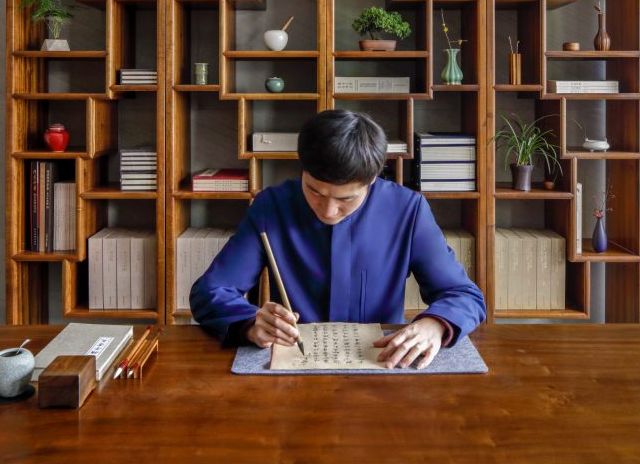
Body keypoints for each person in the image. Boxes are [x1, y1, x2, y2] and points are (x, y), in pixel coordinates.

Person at [190, 109, 485, 369]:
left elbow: (463, 295)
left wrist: (434, 325)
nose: (328, 210)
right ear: (303, 169)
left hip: (380, 368)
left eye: (346, 198)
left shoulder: (407, 210)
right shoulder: (272, 206)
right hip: (292, 368)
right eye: (314, 191)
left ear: (372, 180)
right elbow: (210, 292)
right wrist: (250, 322)